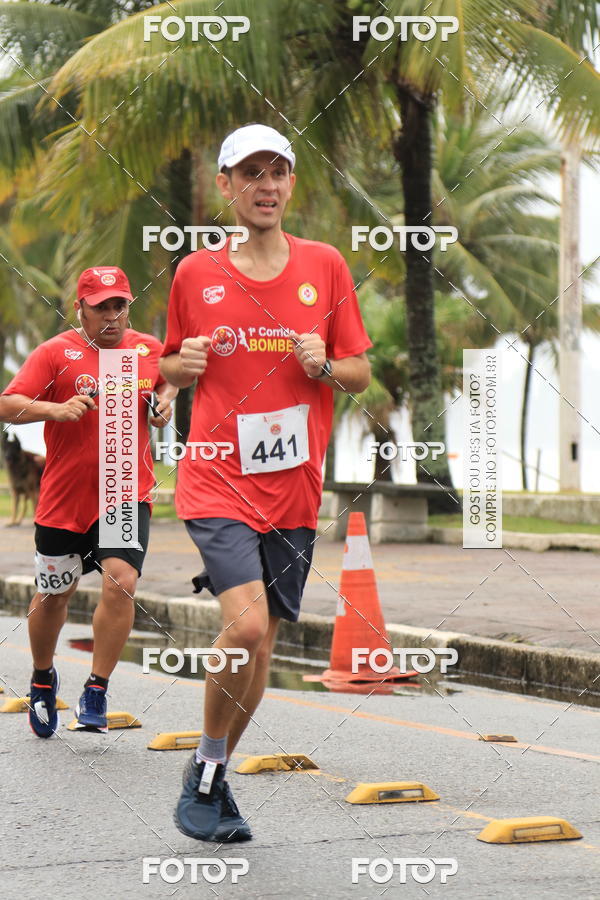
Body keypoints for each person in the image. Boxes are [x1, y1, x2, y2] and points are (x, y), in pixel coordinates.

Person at [160, 123, 372, 843]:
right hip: (217, 476)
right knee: (244, 626)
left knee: (264, 645)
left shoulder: (326, 267)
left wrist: (323, 364)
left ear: (291, 183)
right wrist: (181, 365)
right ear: (226, 185)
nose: (267, 186)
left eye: (278, 172)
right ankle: (208, 772)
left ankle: (210, 780)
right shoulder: (196, 274)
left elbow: (359, 373)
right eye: (251, 173)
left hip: (294, 489)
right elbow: (170, 365)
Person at [0, 266, 177, 736]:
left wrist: (165, 402)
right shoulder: (55, 353)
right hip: (64, 499)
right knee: (55, 594)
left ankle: (96, 689)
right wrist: (52, 409)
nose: (113, 316)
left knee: (121, 582)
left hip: (123, 492)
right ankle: (42, 678)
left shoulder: (146, 350)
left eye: (120, 305)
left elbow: (171, 378)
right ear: (80, 308)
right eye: (101, 307)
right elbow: (6, 403)